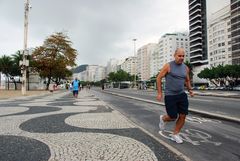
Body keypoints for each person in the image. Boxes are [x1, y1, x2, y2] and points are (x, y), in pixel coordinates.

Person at [156, 48, 194, 144]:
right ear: (175, 55)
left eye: (183, 56)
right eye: (179, 56)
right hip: (170, 95)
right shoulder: (168, 66)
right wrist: (160, 93)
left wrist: (190, 90)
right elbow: (159, 78)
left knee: (183, 115)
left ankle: (175, 134)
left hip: (181, 95)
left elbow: (187, 80)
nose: (181, 58)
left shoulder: (185, 68)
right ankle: (163, 118)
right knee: (173, 116)